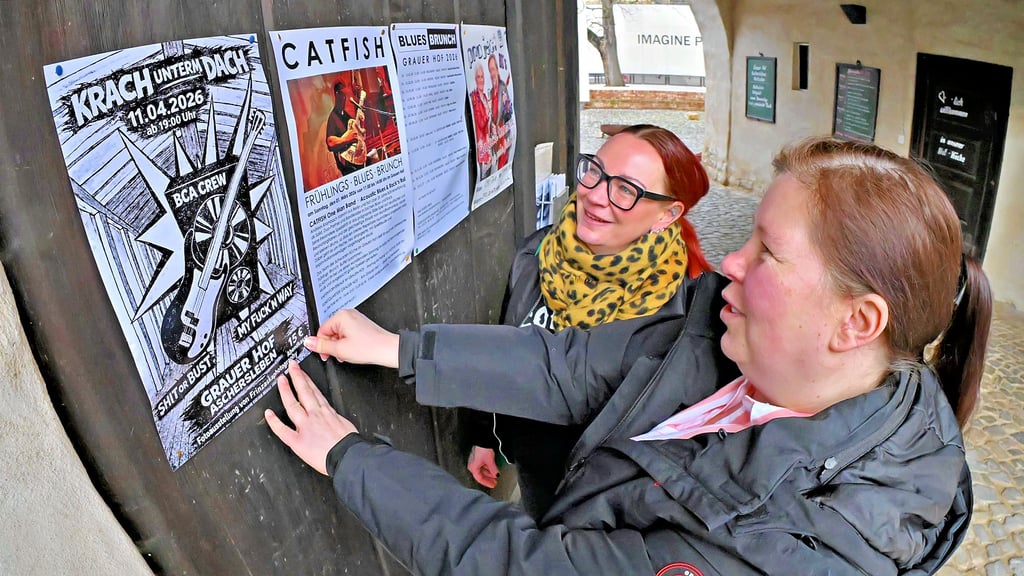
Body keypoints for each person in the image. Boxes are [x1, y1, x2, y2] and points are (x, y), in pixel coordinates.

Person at [266, 136, 990, 575]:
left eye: (768, 253)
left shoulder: (788, 553)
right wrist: (399, 349)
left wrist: (351, 455)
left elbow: (525, 567)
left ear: (856, 322)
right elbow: (570, 366)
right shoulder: (725, 334)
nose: (730, 263)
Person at [458, 124, 711, 519]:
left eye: (626, 189)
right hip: (535, 467)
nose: (595, 195)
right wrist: (486, 436)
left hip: (615, 500)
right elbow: (506, 348)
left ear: (667, 214)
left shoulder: (682, 313)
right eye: (595, 171)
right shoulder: (537, 255)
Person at [325, 80, 366, 176]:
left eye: (345, 95)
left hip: (355, 161)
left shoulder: (345, 115)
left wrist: (362, 126)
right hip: (347, 166)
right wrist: (347, 139)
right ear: (337, 94)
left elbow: (356, 132)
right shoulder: (333, 117)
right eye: (343, 94)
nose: (345, 98)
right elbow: (330, 142)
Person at [487, 53, 513, 170]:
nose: (492, 74)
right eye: (490, 71)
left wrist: (506, 105)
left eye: (493, 69)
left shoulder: (503, 88)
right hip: (496, 141)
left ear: (497, 69)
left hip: (504, 137)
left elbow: (509, 114)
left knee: (502, 166)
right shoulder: (492, 91)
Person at [469, 61, 493, 178]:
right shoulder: (475, 98)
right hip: (481, 150)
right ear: (475, 79)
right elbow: (481, 122)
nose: (480, 80)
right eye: (478, 77)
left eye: (482, 76)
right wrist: (488, 113)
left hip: (488, 148)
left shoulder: (484, 96)